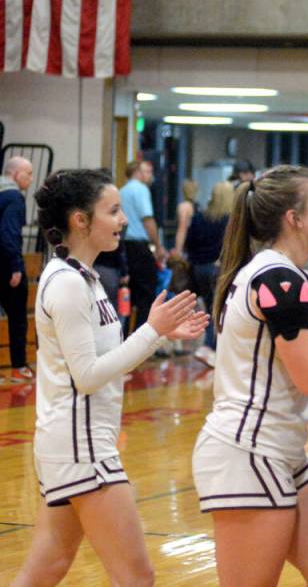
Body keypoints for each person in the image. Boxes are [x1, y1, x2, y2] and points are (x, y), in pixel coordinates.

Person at [13, 169, 206, 587]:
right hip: (82, 449)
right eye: (113, 211)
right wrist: (151, 330)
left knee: (44, 571)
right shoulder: (66, 284)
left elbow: (108, 361)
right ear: (81, 220)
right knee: (137, 577)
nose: (123, 221)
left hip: (72, 444)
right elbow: (87, 376)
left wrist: (157, 334)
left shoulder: (88, 277)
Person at [192, 164, 308, 587]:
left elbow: (300, 360)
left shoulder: (273, 271)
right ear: (294, 218)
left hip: (280, 449)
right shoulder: (278, 278)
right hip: (247, 450)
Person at [184, 181, 232, 366]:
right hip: (218, 268)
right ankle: (209, 347)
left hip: (199, 269)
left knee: (211, 307)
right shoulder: (229, 220)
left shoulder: (199, 216)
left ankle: (210, 346)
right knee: (219, 309)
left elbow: (189, 242)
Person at [120, 160, 165, 333]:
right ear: (138, 172)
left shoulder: (121, 190)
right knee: (146, 295)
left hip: (124, 246)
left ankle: (124, 337)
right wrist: (158, 246)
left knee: (128, 295)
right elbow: (148, 219)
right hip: (139, 246)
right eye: (147, 171)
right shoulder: (141, 189)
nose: (150, 175)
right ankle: (141, 339)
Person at [0, 156, 34, 383]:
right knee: (17, 318)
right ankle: (18, 368)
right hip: (5, 266)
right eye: (28, 174)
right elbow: (8, 233)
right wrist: (15, 266)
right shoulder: (14, 198)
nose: (31, 179)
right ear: (15, 174)